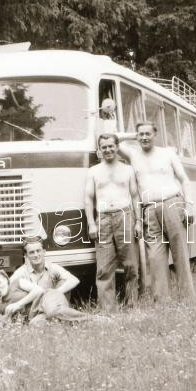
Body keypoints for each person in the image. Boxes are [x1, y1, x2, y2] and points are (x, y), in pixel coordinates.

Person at [119, 121, 195, 301]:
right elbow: (113, 138)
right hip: (149, 210)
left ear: (155, 135)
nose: (144, 137)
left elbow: (184, 179)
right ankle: (162, 301)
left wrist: (189, 206)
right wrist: (133, 135)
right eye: (141, 134)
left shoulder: (167, 154)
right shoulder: (133, 154)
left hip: (172, 204)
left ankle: (187, 298)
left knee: (180, 253)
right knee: (155, 258)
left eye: (148, 134)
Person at [85, 133, 141, 310]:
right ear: (99, 150)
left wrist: (138, 221)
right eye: (104, 147)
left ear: (117, 147)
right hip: (103, 219)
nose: (108, 149)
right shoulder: (93, 171)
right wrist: (91, 223)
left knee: (131, 265)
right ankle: (107, 309)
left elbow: (135, 196)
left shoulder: (128, 169)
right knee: (104, 267)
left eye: (111, 146)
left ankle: (132, 305)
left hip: (125, 216)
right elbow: (88, 198)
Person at [6, 239, 86, 326]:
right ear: (26, 256)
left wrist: (53, 294)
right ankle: (65, 319)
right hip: (38, 312)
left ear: (44, 252)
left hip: (54, 304)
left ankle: (86, 318)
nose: (36, 255)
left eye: (38, 251)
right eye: (31, 252)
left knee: (63, 282)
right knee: (34, 323)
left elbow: (74, 280)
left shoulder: (52, 267)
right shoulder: (21, 272)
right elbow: (7, 286)